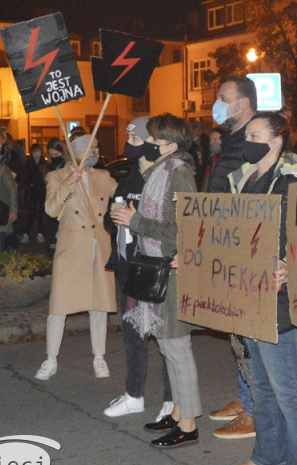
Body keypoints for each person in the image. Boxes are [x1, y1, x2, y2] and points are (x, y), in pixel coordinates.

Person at [226, 111, 297, 465]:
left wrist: (290, 264)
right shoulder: (247, 179)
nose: (245, 140)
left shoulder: (291, 183)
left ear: (278, 140)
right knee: (261, 385)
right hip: (248, 294)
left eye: (254, 134)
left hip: (279, 299)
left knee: (290, 393)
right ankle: (268, 453)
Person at [109, 114, 201, 448]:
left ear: (171, 145)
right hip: (156, 265)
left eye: (154, 140)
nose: (148, 144)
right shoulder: (161, 172)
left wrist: (137, 223)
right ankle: (178, 413)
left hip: (172, 269)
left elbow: (184, 229)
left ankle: (189, 424)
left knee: (177, 347)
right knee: (166, 343)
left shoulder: (180, 174)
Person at [101, 116, 175, 432]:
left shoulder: (166, 178)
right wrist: (114, 218)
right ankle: (134, 394)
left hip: (157, 267)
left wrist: (135, 219)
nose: (127, 147)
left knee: (167, 337)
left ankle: (173, 402)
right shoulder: (129, 178)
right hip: (129, 266)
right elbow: (110, 219)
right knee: (133, 332)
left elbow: (171, 224)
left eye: (134, 141)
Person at [203, 75, 260, 437]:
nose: (217, 103)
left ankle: (255, 410)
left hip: (245, 250)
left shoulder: (254, 141)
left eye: (223, 97)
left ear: (242, 103)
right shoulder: (233, 141)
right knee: (236, 332)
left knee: (247, 333)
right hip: (227, 246)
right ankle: (245, 397)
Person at [36, 134, 118, 380]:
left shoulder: (103, 176)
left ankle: (99, 357)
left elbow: (125, 194)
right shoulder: (56, 176)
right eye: (91, 148)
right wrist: (71, 181)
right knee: (58, 306)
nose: (95, 151)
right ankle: (50, 359)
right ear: (76, 153)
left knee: (99, 306)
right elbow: (51, 210)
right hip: (71, 248)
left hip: (99, 246)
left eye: (96, 146)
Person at [18, 143, 46, 244]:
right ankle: (26, 234)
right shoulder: (29, 163)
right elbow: (25, 175)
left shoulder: (44, 162)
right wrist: (29, 184)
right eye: (34, 151)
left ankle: (40, 233)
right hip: (32, 191)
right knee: (31, 213)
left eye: (38, 150)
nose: (36, 153)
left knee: (43, 213)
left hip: (43, 191)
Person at [43, 139, 66, 251]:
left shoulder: (68, 166)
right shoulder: (48, 167)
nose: (55, 157)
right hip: (51, 204)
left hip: (64, 205)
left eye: (57, 154)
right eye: (52, 155)